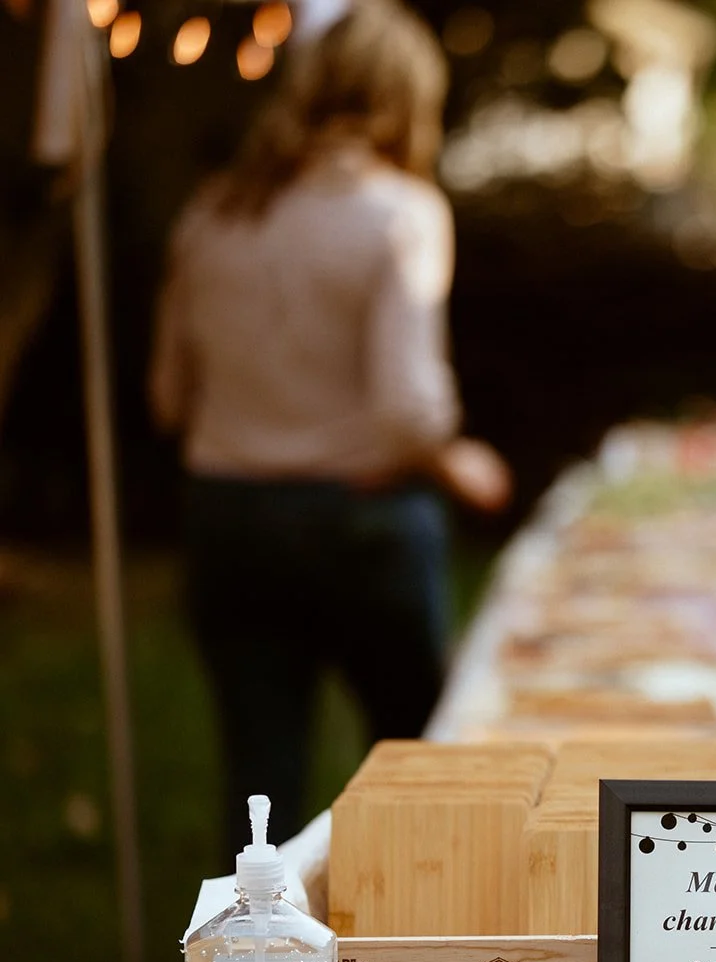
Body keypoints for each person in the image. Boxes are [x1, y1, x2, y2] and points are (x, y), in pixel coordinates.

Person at [149, 0, 511, 851]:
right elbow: (406, 409)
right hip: (359, 519)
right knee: (421, 767)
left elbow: (169, 399)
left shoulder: (211, 215)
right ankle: (413, 959)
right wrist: (463, 466)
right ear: (408, 97)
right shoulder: (400, 213)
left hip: (228, 518)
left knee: (257, 792)